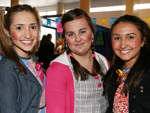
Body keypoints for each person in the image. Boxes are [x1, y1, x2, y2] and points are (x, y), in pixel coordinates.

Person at [46, 8, 110, 113]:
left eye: (82, 31)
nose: (78, 38)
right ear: (65, 39)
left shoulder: (103, 61)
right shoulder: (58, 69)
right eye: (71, 34)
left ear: (92, 33)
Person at [0, 4, 46, 113]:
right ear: (7, 31)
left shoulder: (33, 60)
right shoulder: (7, 68)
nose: (28, 35)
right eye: (19, 28)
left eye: (33, 27)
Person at [103, 15, 150, 113]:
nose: (123, 45)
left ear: (143, 41)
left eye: (130, 37)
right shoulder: (113, 73)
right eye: (117, 38)